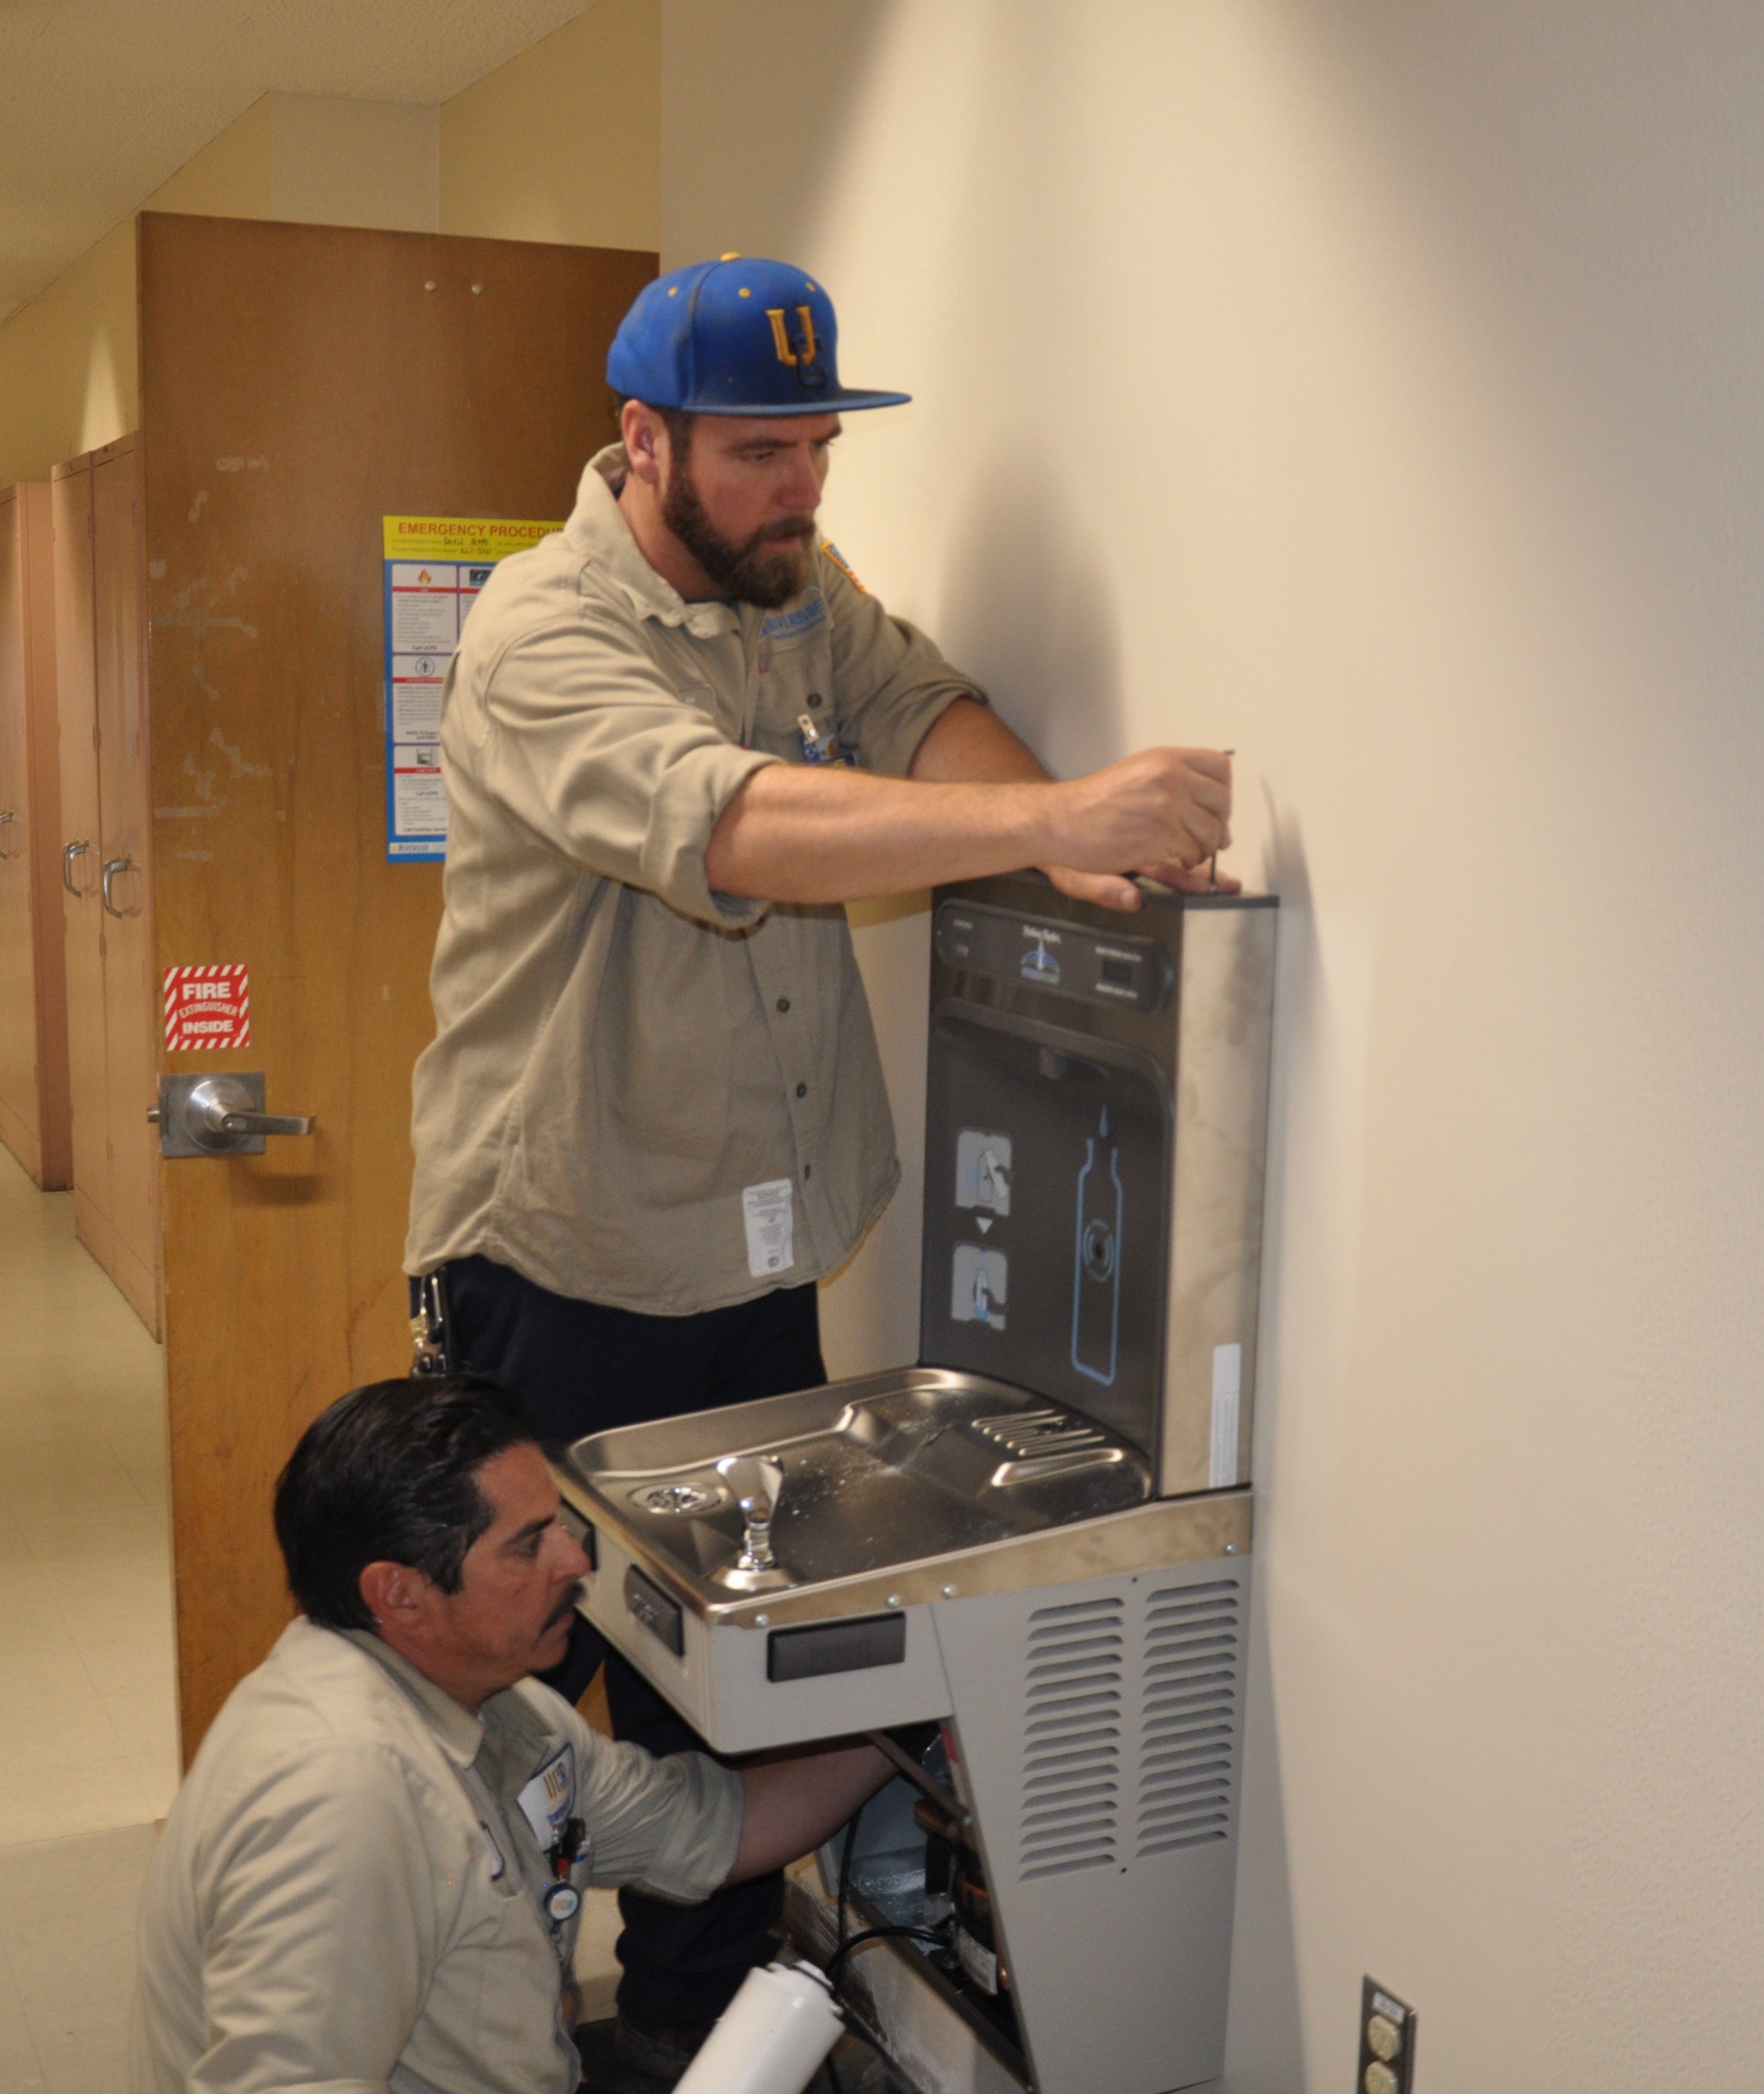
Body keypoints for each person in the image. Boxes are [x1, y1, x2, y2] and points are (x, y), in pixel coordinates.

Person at [401, 253, 1232, 2073]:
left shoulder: (795, 591)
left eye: (817, 444)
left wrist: (1072, 864)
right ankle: (491, 2036)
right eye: (762, 450)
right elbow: (738, 824)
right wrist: (1046, 814)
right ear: (644, 442)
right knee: (527, 1699)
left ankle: (699, 2042)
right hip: (558, 1257)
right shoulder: (542, 633)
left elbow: (916, 701)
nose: (803, 484)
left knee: (725, 1685)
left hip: (745, 1257)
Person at [132, 1375, 891, 2094]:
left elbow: (715, 1826)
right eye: (528, 1545)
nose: (574, 1559)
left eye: (560, 1523)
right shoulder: (342, 1796)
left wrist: (917, 1714)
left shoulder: (494, 1706)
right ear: (398, 1592)